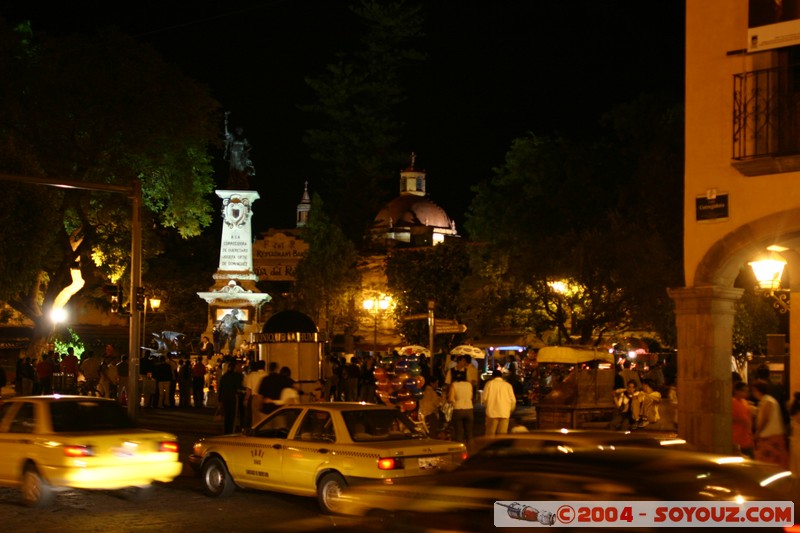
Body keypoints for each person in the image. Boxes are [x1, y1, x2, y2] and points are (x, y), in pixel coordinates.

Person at [750, 379, 789, 468]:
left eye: (754, 390)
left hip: (770, 437)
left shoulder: (767, 401)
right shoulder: (766, 401)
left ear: (758, 390)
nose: (753, 393)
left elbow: (765, 419)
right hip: (771, 436)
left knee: (768, 464)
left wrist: (757, 433)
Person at [482, 369, 517, 436]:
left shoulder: (489, 384)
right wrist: (510, 410)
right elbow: (513, 400)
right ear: (501, 376)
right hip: (504, 413)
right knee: (502, 435)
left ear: (493, 376)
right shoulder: (508, 385)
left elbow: (484, 398)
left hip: (492, 413)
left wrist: (487, 406)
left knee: (490, 435)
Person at [448, 370, 474, 448]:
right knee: (469, 433)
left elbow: (450, 399)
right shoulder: (469, 385)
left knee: (459, 432)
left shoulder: (454, 385)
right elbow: (471, 396)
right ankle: (471, 449)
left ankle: (460, 450)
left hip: (458, 409)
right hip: (469, 409)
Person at [218, 359, 244, 434]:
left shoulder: (224, 376)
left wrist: (219, 399)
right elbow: (239, 387)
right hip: (233, 397)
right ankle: (231, 431)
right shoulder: (238, 376)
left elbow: (220, 388)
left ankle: (226, 430)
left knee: (226, 415)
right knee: (232, 415)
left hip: (224, 397)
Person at [732, 381, 755, 458]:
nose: (745, 393)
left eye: (746, 391)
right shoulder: (732, 402)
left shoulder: (744, 402)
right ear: (736, 391)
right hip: (737, 437)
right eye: (743, 390)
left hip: (746, 436)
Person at [243, 359, 267, 427]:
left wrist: (246, 400)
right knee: (263, 417)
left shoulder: (252, 375)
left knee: (255, 418)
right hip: (263, 398)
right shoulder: (266, 375)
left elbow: (248, 390)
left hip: (254, 398)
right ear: (264, 367)